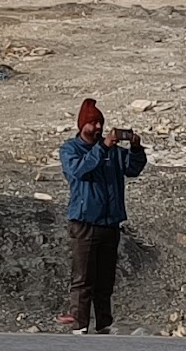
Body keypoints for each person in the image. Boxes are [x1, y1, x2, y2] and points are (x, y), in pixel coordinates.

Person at [55, 98, 148, 333]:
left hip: (110, 223)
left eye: (100, 123)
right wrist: (103, 148)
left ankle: (104, 325)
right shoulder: (70, 149)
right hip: (84, 222)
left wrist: (136, 149)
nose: (98, 127)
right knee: (83, 278)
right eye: (93, 123)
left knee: (105, 281)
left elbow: (132, 169)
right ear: (82, 125)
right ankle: (80, 325)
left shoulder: (113, 152)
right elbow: (79, 171)